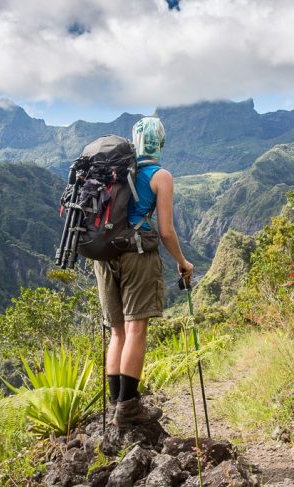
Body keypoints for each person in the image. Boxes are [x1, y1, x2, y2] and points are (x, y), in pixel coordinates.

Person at [94, 116, 194, 427]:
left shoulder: (116, 171)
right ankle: (128, 409)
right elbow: (166, 231)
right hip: (137, 253)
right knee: (136, 329)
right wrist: (183, 262)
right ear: (160, 143)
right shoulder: (159, 176)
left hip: (104, 254)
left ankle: (115, 405)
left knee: (117, 332)